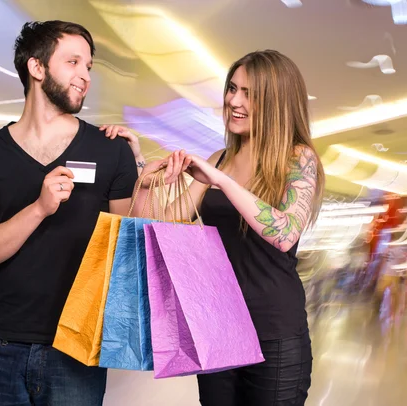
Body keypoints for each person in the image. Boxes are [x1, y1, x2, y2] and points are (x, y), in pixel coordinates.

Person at [0, 20, 187, 406]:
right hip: (1, 346)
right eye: (73, 62)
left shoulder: (109, 149)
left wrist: (142, 180)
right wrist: (39, 208)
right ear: (37, 68)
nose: (85, 75)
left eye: (89, 67)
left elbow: (134, 248)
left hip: (78, 348)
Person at [106, 49, 325, 405]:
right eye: (232, 89)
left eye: (249, 93)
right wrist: (140, 171)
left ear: (277, 101)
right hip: (218, 328)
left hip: (275, 330)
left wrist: (220, 180)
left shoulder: (298, 158)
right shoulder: (219, 159)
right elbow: (166, 222)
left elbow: (285, 233)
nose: (233, 101)